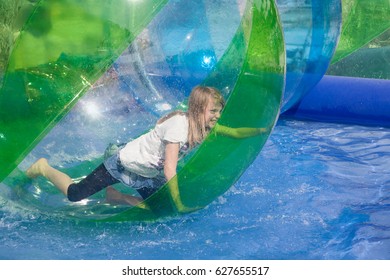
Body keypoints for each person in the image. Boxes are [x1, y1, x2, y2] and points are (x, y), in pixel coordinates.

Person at [26, 86, 269, 212]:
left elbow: (235, 133)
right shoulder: (179, 127)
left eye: (219, 110)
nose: (218, 115)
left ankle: (116, 197)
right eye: (213, 111)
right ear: (198, 110)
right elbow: (170, 169)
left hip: (146, 174)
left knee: (159, 210)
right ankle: (44, 167)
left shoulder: (204, 126)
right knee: (75, 194)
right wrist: (180, 202)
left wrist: (262, 129)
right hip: (124, 164)